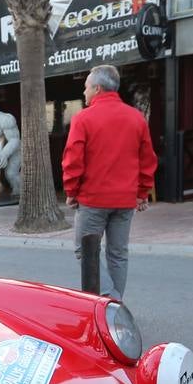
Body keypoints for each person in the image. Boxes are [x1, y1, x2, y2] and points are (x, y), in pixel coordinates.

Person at [61, 64, 157, 299]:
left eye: (86, 88)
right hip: (124, 200)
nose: (84, 93)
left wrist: (71, 191)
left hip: (93, 199)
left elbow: (73, 160)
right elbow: (148, 160)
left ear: (97, 88)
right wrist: (142, 193)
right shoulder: (136, 118)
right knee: (118, 254)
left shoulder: (83, 119)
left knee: (84, 250)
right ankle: (115, 303)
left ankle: (108, 302)